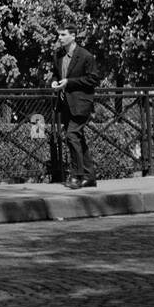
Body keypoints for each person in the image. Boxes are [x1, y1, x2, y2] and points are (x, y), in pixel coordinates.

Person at [51, 26, 100, 188]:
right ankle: (89, 176)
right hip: (65, 103)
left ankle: (76, 176)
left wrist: (69, 82)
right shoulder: (58, 55)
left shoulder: (85, 56)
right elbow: (56, 74)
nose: (60, 38)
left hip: (81, 103)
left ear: (73, 36)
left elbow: (93, 79)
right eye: (59, 35)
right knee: (78, 138)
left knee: (71, 135)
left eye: (63, 35)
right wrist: (54, 81)